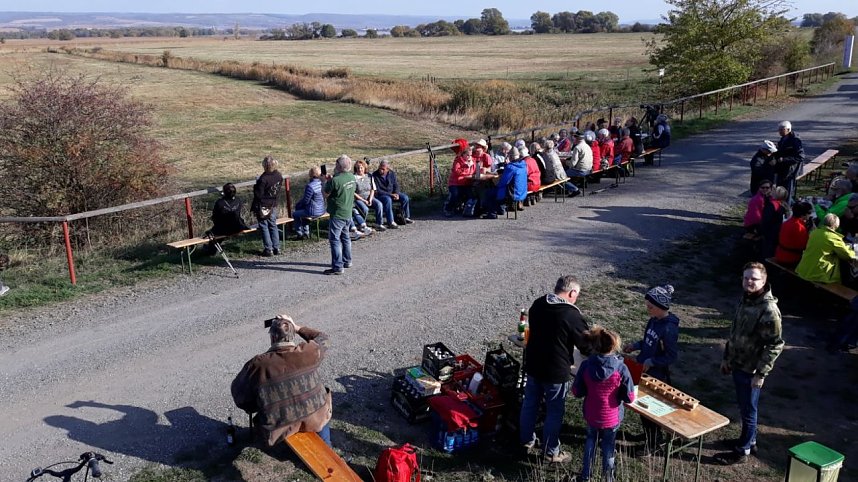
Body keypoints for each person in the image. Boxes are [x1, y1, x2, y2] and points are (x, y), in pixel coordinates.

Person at [717, 262, 784, 465]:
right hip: (737, 363)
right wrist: (726, 358)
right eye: (746, 278)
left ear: (764, 281)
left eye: (754, 279)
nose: (749, 282)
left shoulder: (768, 309)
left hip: (751, 370)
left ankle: (743, 449)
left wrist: (760, 374)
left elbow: (775, 344)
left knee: (748, 410)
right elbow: (736, 332)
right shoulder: (746, 300)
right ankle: (750, 440)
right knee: (745, 406)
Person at [231, 314, 332, 447]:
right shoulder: (310, 352)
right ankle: (327, 445)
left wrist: (255, 405)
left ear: (272, 337)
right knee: (321, 406)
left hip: (279, 427)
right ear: (292, 336)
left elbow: (239, 396)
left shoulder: (258, 365)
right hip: (316, 418)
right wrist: (296, 327)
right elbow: (324, 338)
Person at [520, 276, 591, 464]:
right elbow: (586, 346)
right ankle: (551, 451)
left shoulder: (538, 303)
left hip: (534, 364)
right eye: (577, 295)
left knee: (530, 404)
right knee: (554, 411)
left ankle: (526, 440)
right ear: (572, 292)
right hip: (556, 370)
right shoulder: (571, 315)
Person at [572, 326, 635, 482]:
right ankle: (608, 478)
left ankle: (586, 475)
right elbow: (630, 397)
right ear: (614, 346)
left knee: (590, 440)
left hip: (592, 414)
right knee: (608, 446)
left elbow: (576, 391)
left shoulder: (586, 366)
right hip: (612, 417)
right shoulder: (621, 368)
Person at [623, 284, 679, 455]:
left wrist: (652, 361)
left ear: (661, 307)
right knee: (642, 408)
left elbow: (671, 356)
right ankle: (650, 434)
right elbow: (648, 340)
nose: (647, 309)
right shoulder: (653, 320)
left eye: (650, 307)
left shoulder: (669, 328)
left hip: (656, 374)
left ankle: (654, 442)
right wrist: (635, 345)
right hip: (643, 370)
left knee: (649, 407)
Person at [796, 214, 857, 284]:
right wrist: (853, 250)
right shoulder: (833, 237)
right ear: (836, 225)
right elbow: (847, 255)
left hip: (803, 269)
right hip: (818, 275)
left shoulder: (814, 232)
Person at [322, 155, 357, 275]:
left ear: (340, 166)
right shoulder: (351, 177)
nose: (334, 166)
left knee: (335, 240)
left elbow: (325, 194)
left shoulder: (335, 180)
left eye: (336, 164)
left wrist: (325, 182)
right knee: (345, 237)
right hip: (348, 212)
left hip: (337, 214)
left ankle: (337, 266)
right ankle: (347, 261)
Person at [481, 147, 528, 219]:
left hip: (512, 194)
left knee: (489, 192)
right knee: (495, 191)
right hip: (521, 192)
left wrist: (496, 183)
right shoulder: (523, 165)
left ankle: (492, 213)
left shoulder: (511, 167)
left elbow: (503, 182)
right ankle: (499, 209)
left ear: (511, 157)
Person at [252, 156, 283, 257]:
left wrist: (256, 185)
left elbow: (258, 194)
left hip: (264, 206)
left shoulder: (263, 179)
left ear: (264, 166)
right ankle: (277, 248)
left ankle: (268, 249)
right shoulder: (279, 175)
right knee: (273, 225)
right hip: (273, 204)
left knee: (264, 226)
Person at [373, 160, 413, 229]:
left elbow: (396, 185)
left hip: (392, 193)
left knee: (405, 198)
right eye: (380, 168)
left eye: (383, 169)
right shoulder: (375, 175)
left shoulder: (391, 173)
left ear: (387, 169)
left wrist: (396, 193)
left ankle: (405, 217)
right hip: (382, 195)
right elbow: (377, 190)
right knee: (388, 200)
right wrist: (391, 195)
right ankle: (390, 221)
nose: (381, 170)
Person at [291, 167, 326, 241]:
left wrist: (297, 205)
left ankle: (300, 233)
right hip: (322, 209)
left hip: (313, 211)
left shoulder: (310, 186)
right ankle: (306, 232)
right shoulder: (322, 183)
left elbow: (305, 201)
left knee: (295, 214)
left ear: (310, 174)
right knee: (303, 211)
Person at [774, 202, 813, 266]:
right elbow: (806, 246)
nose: (810, 215)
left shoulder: (786, 223)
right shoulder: (800, 227)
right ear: (803, 215)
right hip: (791, 259)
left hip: (779, 255)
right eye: (809, 213)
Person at [774, 121, 805, 200]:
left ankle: (787, 209)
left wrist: (784, 160)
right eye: (779, 129)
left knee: (787, 192)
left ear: (788, 129)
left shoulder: (795, 141)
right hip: (782, 170)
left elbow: (800, 157)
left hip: (791, 171)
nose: (779, 131)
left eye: (782, 129)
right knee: (779, 191)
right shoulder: (783, 138)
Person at [353, 159, 385, 232]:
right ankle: (362, 225)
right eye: (358, 168)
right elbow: (353, 192)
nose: (360, 169)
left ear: (364, 168)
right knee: (365, 209)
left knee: (379, 204)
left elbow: (372, 189)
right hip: (358, 199)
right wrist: (364, 200)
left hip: (369, 197)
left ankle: (379, 223)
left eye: (361, 167)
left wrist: (370, 199)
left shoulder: (369, 176)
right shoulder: (353, 177)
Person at [444, 145, 476, 216]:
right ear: (463, 154)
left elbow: (475, 170)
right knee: (455, 195)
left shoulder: (473, 160)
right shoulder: (458, 161)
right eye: (467, 155)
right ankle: (448, 208)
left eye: (470, 155)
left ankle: (467, 209)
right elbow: (457, 171)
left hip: (466, 183)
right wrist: (466, 167)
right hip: (455, 183)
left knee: (471, 195)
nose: (469, 157)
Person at [759, 186, 789, 259]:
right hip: (777, 232)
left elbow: (766, 220)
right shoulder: (782, 204)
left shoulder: (772, 205)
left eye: (774, 190)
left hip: (770, 233)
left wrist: (761, 231)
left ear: (777, 194)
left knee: (767, 252)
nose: (771, 190)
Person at [564, 132, 593, 198]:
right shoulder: (587, 146)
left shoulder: (577, 147)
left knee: (561, 177)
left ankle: (575, 189)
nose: (574, 139)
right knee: (567, 172)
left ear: (577, 139)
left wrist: (565, 162)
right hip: (589, 169)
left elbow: (572, 164)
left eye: (575, 138)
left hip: (581, 170)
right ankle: (571, 188)